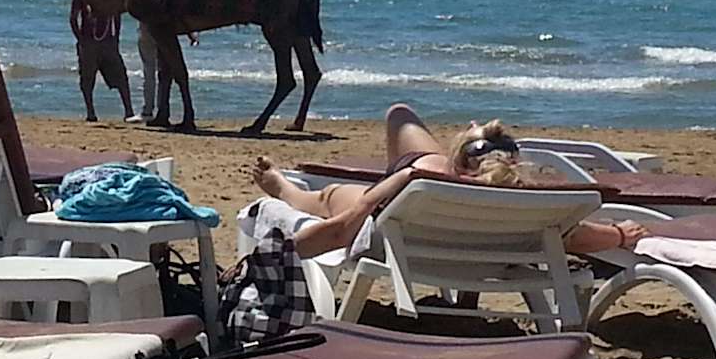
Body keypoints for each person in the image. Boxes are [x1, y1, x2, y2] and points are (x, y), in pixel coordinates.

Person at [250, 102, 650, 259]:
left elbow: (334, 234)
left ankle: (284, 187)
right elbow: (574, 237)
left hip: (405, 231)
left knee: (328, 196)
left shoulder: (417, 178)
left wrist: (269, 254)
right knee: (403, 124)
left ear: (456, 166)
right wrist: (619, 233)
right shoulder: (534, 206)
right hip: (475, 236)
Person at [69, 0, 136, 123]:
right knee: (87, 79)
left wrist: (116, 38)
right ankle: (90, 112)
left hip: (107, 42)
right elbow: (73, 18)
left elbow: (117, 14)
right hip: (89, 43)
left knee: (121, 76)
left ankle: (129, 111)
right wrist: (81, 39)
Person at [136, 21, 160, 121]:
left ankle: (148, 110)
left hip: (148, 32)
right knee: (164, 74)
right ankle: (162, 110)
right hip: (165, 32)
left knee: (149, 73)